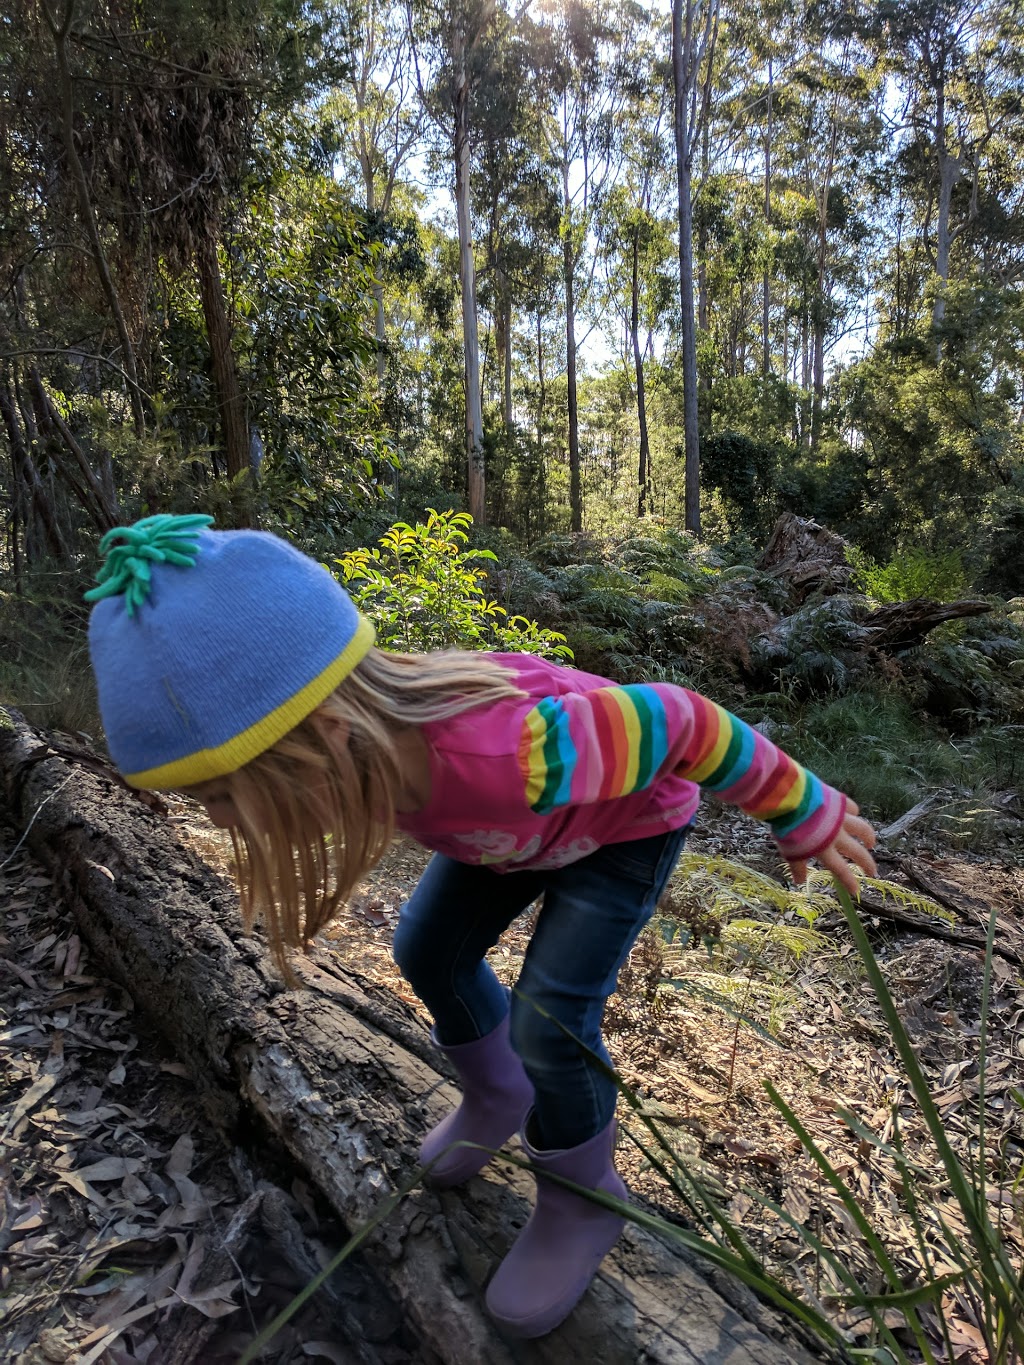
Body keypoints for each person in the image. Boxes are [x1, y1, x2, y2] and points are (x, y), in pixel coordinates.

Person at [86, 513, 877, 1340]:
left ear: (323, 737)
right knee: (428, 948)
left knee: (550, 1020)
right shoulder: (372, 759)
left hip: (623, 830)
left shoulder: (516, 751)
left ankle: (586, 1195)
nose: (223, 819)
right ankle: (496, 1094)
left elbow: (685, 721)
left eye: (226, 797)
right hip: (510, 837)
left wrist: (800, 804)